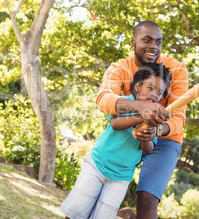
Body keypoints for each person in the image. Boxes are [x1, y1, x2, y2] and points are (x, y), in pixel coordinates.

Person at [96, 20, 189, 218]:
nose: (153, 47)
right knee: (96, 187)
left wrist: (156, 130)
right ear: (133, 41)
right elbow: (103, 99)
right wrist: (142, 108)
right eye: (146, 40)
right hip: (129, 132)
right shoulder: (119, 68)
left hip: (164, 138)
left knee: (147, 198)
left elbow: (179, 118)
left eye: (158, 42)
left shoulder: (177, 70)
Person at [60, 63, 172, 219]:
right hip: (97, 166)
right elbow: (115, 124)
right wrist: (141, 116)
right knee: (77, 211)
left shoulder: (155, 120)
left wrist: (146, 136)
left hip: (120, 177)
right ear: (138, 87)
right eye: (151, 88)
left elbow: (148, 149)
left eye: (160, 93)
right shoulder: (126, 102)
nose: (155, 95)